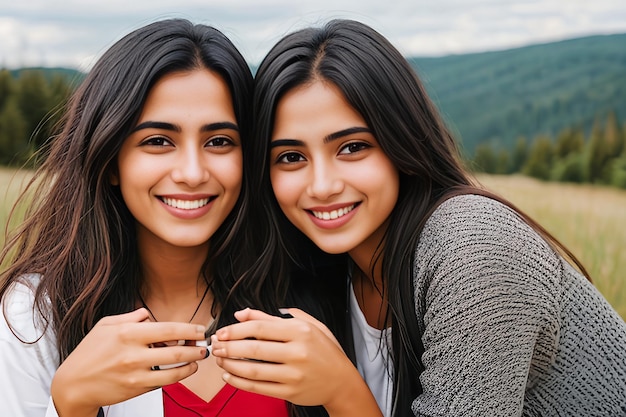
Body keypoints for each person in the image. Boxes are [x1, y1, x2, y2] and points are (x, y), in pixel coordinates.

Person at [209, 19, 626, 417]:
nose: (321, 186)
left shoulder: (472, 249)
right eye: (291, 157)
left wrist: (340, 389)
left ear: (401, 140)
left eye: (352, 147)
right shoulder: (326, 270)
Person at [0, 18, 324, 417]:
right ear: (110, 159)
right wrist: (71, 402)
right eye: (158, 141)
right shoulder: (35, 315)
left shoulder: (307, 287)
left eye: (219, 141)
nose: (192, 172)